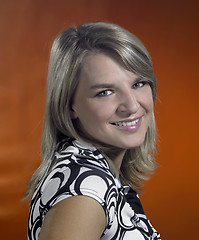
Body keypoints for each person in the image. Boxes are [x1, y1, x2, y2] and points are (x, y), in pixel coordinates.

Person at [26, 21, 161, 240]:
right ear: (69, 105)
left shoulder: (85, 171)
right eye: (105, 92)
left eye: (138, 84)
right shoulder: (86, 190)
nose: (132, 106)